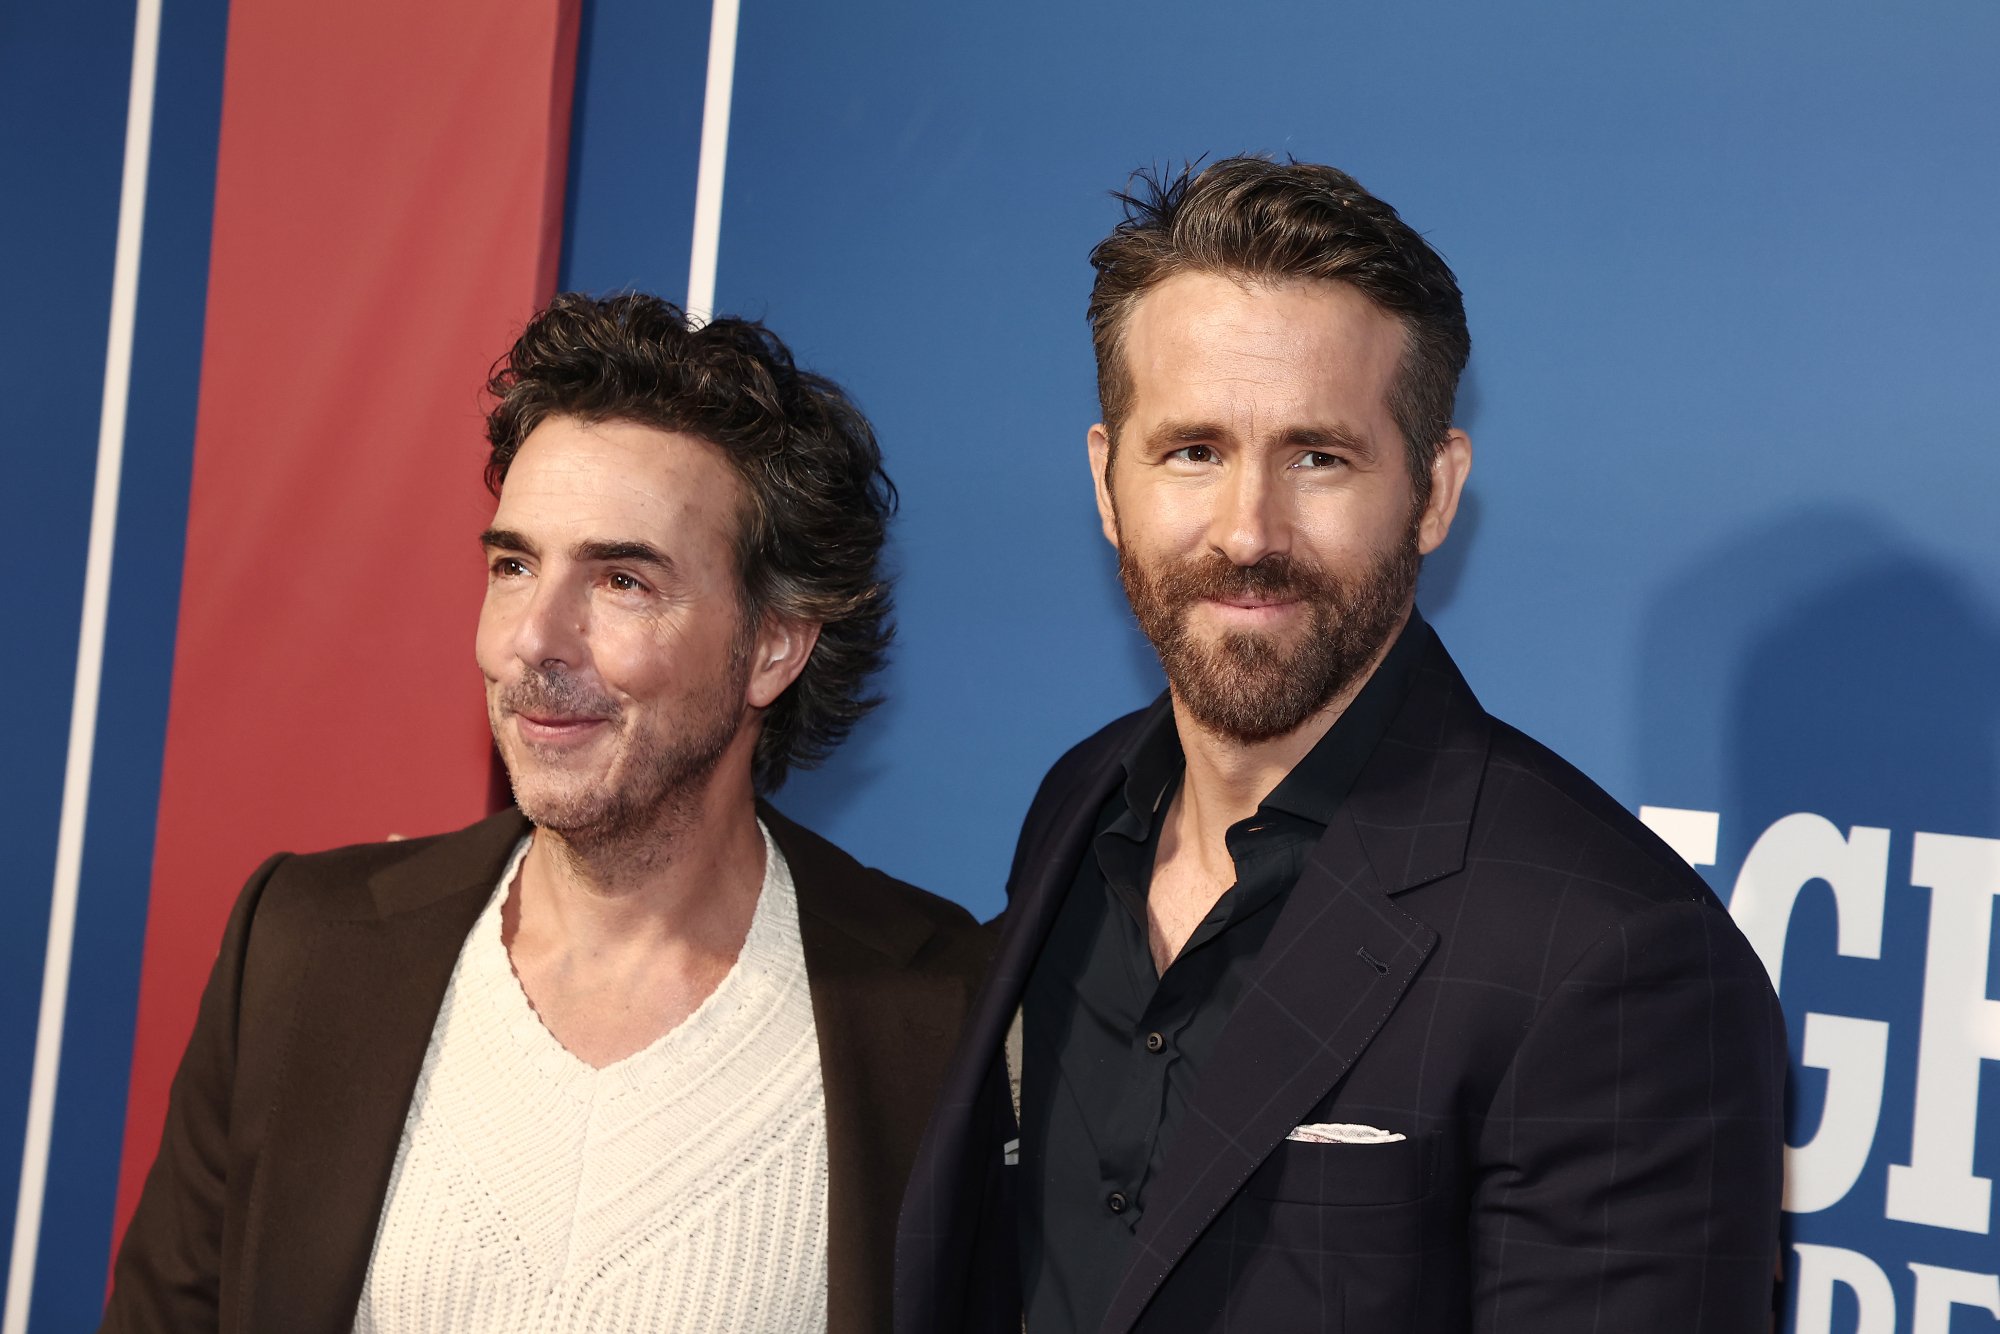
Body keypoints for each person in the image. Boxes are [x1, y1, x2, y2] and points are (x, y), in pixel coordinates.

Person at [896, 158, 1786, 1333]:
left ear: (1432, 488)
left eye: (1317, 455)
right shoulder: (1075, 806)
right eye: (1192, 450)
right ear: (1107, 481)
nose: (1247, 531)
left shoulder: (1612, 956)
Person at [105, 292, 990, 1334]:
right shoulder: (302, 947)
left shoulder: (941, 1014)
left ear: (772, 648)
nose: (534, 639)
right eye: (513, 565)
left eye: (620, 579)